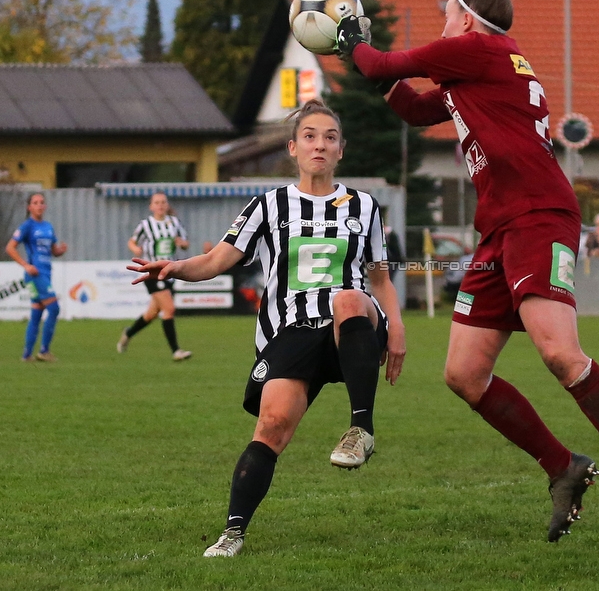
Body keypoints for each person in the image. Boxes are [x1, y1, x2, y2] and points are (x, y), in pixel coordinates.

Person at [337, 0, 599, 539]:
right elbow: (417, 110)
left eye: (448, 16)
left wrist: (353, 41)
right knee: (465, 373)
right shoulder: (479, 63)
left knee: (560, 354)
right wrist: (368, 60)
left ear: (466, 19)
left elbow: (386, 65)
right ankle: (563, 468)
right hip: (499, 228)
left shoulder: (478, 49)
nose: (444, 28)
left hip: (538, 216)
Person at [128, 100, 405, 557]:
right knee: (272, 425)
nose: (321, 144)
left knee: (349, 296)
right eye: (311, 136)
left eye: (330, 137)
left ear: (341, 150)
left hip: (352, 321)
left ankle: (361, 430)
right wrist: (174, 267)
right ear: (294, 148)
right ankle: (232, 532)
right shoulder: (268, 205)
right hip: (290, 329)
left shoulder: (366, 207)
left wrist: (397, 331)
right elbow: (216, 260)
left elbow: (379, 277)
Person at [117, 192, 193, 361]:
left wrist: (182, 244)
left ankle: (128, 333)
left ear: (167, 205)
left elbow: (185, 243)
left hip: (170, 273)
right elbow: (132, 241)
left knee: (151, 314)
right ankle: (176, 351)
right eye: (156, 202)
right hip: (152, 272)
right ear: (151, 206)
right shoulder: (146, 225)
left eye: (163, 202)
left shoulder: (174, 223)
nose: (160, 205)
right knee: (169, 309)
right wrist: (135, 249)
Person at [6, 193, 67, 362]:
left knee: (37, 313)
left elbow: (53, 251)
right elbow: (10, 248)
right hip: (35, 275)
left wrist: (60, 251)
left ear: (45, 206)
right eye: (35, 203)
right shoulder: (27, 226)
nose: (39, 205)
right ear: (29, 207)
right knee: (54, 308)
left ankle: (26, 355)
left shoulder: (48, 227)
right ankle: (44, 351)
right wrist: (26, 265)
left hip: (46, 273)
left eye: (42, 202)